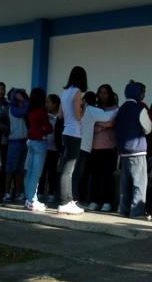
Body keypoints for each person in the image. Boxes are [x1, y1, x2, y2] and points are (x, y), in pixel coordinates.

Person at [116, 80, 152, 218]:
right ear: (139, 93)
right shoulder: (140, 109)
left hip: (123, 151)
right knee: (139, 183)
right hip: (137, 150)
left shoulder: (121, 109)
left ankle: (123, 210)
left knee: (125, 183)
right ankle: (137, 212)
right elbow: (148, 128)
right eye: (143, 92)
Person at [58, 66, 88, 215]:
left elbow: (60, 115)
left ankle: (67, 200)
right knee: (69, 169)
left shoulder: (64, 93)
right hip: (74, 133)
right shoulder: (77, 92)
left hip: (65, 131)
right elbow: (78, 116)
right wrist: (84, 108)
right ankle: (65, 201)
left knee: (66, 167)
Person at [88, 84, 119, 212]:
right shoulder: (94, 109)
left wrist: (98, 124)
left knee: (108, 176)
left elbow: (112, 123)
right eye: (100, 92)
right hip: (95, 147)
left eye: (105, 92)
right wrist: (103, 125)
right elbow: (89, 124)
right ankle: (95, 200)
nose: (102, 95)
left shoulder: (115, 109)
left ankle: (107, 202)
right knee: (95, 176)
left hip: (110, 147)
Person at [24, 88, 52, 211]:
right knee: (36, 173)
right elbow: (48, 128)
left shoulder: (30, 110)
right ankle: (32, 200)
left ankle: (28, 199)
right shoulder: (41, 111)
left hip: (31, 141)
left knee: (29, 172)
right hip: (40, 142)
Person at [5, 88, 30, 202]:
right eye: (19, 96)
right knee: (11, 169)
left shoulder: (21, 108)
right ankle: (7, 192)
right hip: (14, 142)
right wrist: (23, 99)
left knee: (20, 170)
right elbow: (24, 110)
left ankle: (19, 192)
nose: (22, 98)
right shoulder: (13, 109)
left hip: (23, 142)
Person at [38, 94, 61, 203]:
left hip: (55, 149)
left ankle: (52, 192)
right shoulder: (44, 116)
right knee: (42, 172)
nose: (46, 104)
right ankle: (40, 192)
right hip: (44, 148)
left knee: (52, 172)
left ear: (55, 104)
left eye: (48, 102)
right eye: (46, 102)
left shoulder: (59, 117)